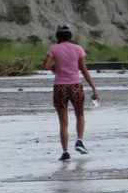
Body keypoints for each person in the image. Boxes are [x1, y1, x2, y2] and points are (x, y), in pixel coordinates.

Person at [42, 23, 98, 161]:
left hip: (60, 87)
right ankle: (79, 140)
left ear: (58, 36)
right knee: (80, 115)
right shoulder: (78, 49)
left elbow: (45, 66)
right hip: (75, 86)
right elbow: (83, 70)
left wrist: (53, 67)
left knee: (63, 123)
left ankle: (65, 152)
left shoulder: (54, 49)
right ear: (70, 35)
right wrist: (93, 88)